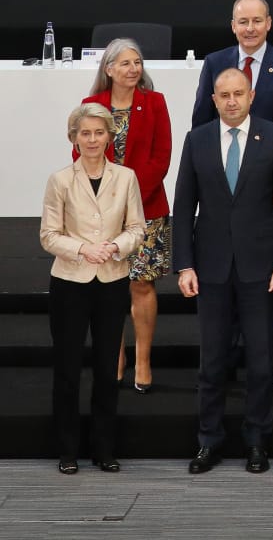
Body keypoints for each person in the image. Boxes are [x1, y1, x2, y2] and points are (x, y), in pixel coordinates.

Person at [174, 68, 273, 475]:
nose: (231, 101)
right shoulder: (197, 140)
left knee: (261, 361)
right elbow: (183, 208)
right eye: (223, 95)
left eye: (238, 94)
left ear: (252, 95)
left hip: (261, 269)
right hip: (209, 268)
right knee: (212, 361)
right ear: (213, 99)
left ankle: (257, 440)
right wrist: (184, 264)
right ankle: (208, 441)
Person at [43, 103, 145, 474]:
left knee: (107, 368)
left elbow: (137, 228)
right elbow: (48, 235)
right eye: (84, 133)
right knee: (67, 368)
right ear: (74, 137)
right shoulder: (60, 180)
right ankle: (67, 451)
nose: (92, 139)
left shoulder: (126, 177)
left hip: (112, 281)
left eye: (98, 132)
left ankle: (104, 450)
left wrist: (115, 246)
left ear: (109, 135)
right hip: (70, 282)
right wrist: (85, 248)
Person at [79, 38, 172, 393]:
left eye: (138, 62)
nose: (134, 69)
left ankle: (144, 360)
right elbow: (81, 154)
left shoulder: (155, 103)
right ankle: (115, 357)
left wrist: (129, 198)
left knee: (141, 284)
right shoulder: (92, 105)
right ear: (109, 69)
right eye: (125, 63)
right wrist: (107, 201)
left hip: (147, 208)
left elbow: (160, 158)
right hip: (101, 213)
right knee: (110, 287)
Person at [190, 0, 273, 147]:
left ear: (268, 23)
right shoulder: (214, 63)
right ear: (233, 26)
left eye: (257, 21)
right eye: (243, 22)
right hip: (222, 164)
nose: (250, 28)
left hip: (271, 166)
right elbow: (201, 124)